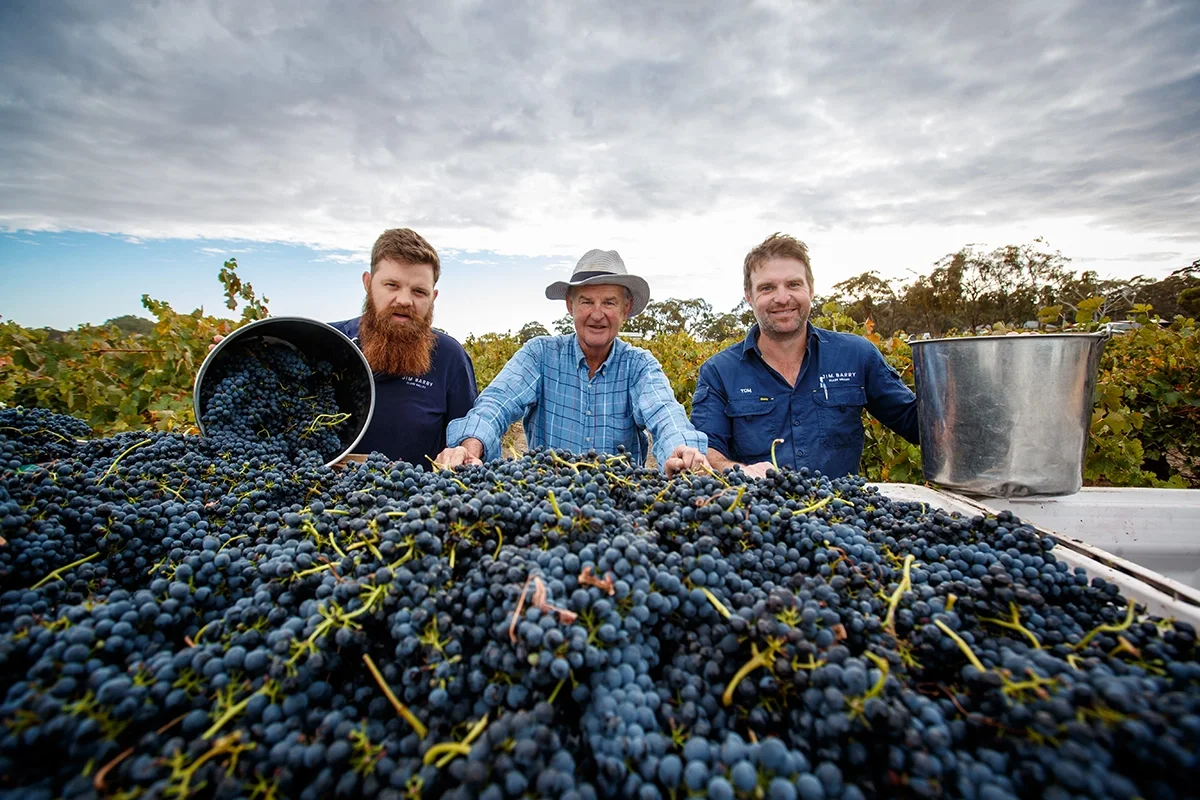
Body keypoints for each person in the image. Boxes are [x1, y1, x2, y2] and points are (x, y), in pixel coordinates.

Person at [435, 249, 709, 476]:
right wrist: (471, 446)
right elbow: (496, 403)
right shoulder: (540, 355)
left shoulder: (638, 366)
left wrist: (682, 451)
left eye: (609, 303)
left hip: (618, 505)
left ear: (625, 310)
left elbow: (666, 415)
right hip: (546, 502)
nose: (597, 314)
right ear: (570, 306)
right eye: (587, 301)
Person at [690, 233, 918, 479]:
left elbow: (916, 424)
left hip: (843, 512)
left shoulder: (856, 354)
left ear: (811, 288)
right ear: (749, 296)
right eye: (767, 288)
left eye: (793, 284)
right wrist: (740, 472)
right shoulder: (719, 372)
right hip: (758, 512)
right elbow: (707, 451)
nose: (782, 298)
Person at [322, 228, 478, 466]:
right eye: (392, 285)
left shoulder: (450, 358)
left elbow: (464, 440)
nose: (405, 300)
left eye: (419, 291)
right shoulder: (327, 343)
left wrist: (465, 454)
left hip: (418, 500)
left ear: (433, 297)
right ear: (368, 283)